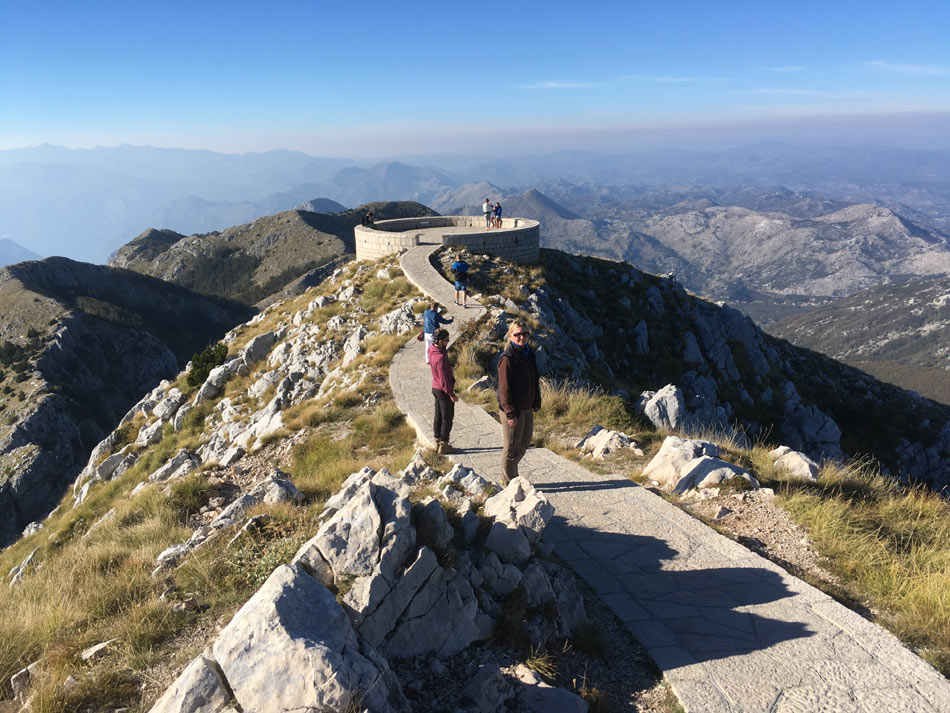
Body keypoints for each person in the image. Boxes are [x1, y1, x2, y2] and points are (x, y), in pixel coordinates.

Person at [496, 320, 541, 484]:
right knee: (511, 447)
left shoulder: (529, 353)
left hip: (527, 407)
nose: (522, 337)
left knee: (523, 444)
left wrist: (536, 400)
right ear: (510, 336)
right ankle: (508, 481)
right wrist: (510, 413)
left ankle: (511, 474)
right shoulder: (507, 358)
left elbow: (534, 380)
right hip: (513, 409)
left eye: (525, 333)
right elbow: (504, 389)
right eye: (517, 334)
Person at [428, 328, 458, 454]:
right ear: (440, 341)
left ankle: (436, 442)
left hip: (435, 388)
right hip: (443, 390)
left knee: (438, 416)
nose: (448, 341)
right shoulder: (440, 357)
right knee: (447, 417)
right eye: (446, 340)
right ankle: (444, 445)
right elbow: (443, 377)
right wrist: (451, 394)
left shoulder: (432, 350)